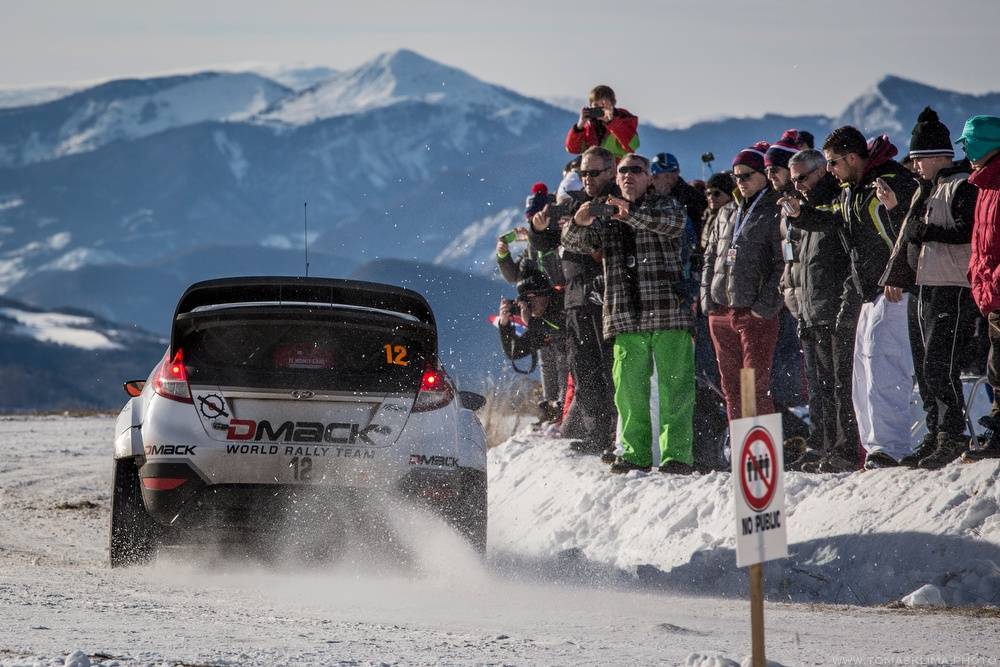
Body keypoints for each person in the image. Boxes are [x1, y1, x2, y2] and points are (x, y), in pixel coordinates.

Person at [562, 153, 694, 474]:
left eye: (636, 170)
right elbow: (572, 244)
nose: (628, 176)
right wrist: (579, 221)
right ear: (616, 177)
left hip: (667, 313)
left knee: (674, 389)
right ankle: (634, 453)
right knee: (629, 392)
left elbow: (673, 225)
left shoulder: (664, 205)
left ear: (650, 177)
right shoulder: (607, 216)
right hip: (623, 317)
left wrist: (629, 214)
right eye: (623, 171)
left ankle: (676, 456)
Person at [881, 108, 979, 469]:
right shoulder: (927, 188)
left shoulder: (961, 185)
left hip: (952, 286)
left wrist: (929, 232)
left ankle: (952, 434)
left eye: (920, 160)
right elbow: (911, 236)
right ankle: (936, 430)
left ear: (940, 157)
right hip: (925, 284)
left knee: (941, 365)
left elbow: (969, 233)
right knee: (925, 367)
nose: (915, 167)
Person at [821, 126, 919, 469]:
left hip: (893, 291)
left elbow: (909, 232)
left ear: (851, 158)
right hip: (867, 291)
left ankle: (890, 447)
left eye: (833, 162)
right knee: (862, 373)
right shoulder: (853, 189)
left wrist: (901, 274)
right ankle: (873, 447)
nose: (829, 170)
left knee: (885, 366)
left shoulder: (890, 181)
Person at [532, 146, 618, 458]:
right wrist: (539, 231)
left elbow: (594, 245)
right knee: (584, 369)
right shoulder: (578, 203)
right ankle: (596, 432)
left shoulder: (613, 202)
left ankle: (612, 433)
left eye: (594, 173)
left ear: (610, 171)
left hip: (605, 297)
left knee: (609, 369)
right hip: (576, 298)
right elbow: (557, 245)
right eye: (583, 173)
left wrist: (578, 227)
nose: (588, 178)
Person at [780, 149, 857, 472]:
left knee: (839, 386)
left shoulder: (836, 200)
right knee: (818, 386)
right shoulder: (802, 210)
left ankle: (846, 447)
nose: (798, 185)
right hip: (808, 310)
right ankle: (820, 442)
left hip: (834, 308)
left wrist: (802, 216)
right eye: (792, 179)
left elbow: (837, 230)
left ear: (822, 171)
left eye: (802, 178)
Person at [701, 141, 784, 420]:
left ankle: (759, 455)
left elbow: (782, 264)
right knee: (730, 388)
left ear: (764, 174)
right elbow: (710, 256)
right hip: (721, 311)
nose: (740, 181)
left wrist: (763, 307)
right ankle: (741, 452)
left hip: (753, 312)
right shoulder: (726, 212)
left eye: (746, 175)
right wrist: (708, 301)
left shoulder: (774, 210)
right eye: (736, 176)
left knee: (753, 389)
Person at [959, 114, 1000, 461]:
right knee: (995, 361)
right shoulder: (984, 184)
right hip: (990, 293)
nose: (966, 150)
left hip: (997, 290)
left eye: (969, 142)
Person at [496, 268, 563, 370]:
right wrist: (504, 325)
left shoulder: (565, 299)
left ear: (544, 292)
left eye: (531, 296)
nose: (529, 304)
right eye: (525, 299)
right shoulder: (538, 322)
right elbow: (515, 353)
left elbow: (567, 330)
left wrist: (532, 323)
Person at [565, 85, 639, 161]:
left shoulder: (624, 119)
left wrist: (611, 123)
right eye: (596, 105)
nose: (600, 108)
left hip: (617, 169)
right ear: (590, 106)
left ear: (613, 104)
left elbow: (633, 145)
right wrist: (579, 126)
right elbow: (572, 149)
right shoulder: (588, 126)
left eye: (603, 105)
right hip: (594, 169)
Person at [765, 130, 803, 195]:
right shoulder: (782, 197)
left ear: (791, 169)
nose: (769, 176)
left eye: (773, 170)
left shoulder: (808, 197)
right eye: (766, 171)